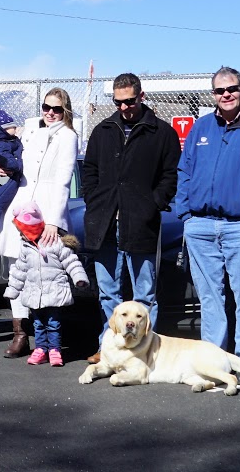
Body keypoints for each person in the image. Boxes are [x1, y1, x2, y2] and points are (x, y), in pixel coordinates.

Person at [174, 66, 240, 378]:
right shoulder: (202, 128)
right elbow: (185, 170)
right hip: (200, 226)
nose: (226, 95)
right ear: (213, 95)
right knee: (210, 299)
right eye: (220, 91)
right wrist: (186, 214)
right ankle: (213, 364)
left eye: (232, 89)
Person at [80, 73, 180, 364]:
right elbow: (90, 171)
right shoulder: (103, 130)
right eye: (118, 102)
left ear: (142, 96)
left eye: (130, 101)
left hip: (142, 224)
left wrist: (153, 204)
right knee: (109, 294)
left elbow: (170, 175)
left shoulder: (161, 132)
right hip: (105, 223)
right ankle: (109, 348)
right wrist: (94, 200)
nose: (124, 108)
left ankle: (144, 353)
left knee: (144, 296)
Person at [0, 89, 79, 358]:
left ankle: (48, 338)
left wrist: (53, 221)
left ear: (66, 111)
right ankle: (21, 333)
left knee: (44, 274)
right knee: (18, 269)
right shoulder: (33, 133)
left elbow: (64, 179)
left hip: (46, 212)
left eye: (56, 108)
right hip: (20, 207)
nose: (50, 113)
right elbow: (18, 166)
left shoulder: (68, 137)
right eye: (46, 107)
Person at [3, 203, 89, 367]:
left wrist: (79, 277)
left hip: (54, 293)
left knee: (53, 323)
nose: (21, 235)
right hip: (35, 294)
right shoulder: (26, 247)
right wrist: (12, 290)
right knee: (38, 324)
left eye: (23, 231)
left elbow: (71, 262)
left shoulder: (55, 243)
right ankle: (41, 349)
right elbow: (19, 271)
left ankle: (55, 350)